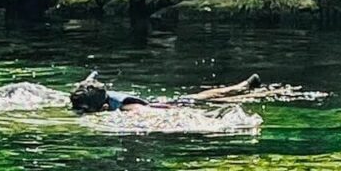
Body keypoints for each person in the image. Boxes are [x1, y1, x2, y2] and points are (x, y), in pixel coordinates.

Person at [70, 71, 263, 113]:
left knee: (195, 100)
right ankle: (242, 87)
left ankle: (244, 90)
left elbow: (151, 113)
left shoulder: (128, 108)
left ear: (104, 108)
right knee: (195, 97)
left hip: (163, 106)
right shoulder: (89, 94)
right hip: (159, 101)